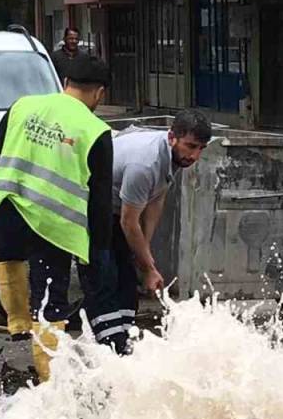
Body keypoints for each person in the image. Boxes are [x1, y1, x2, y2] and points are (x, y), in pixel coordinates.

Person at [0, 56, 114, 382]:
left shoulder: (23, 106)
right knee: (49, 300)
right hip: (52, 226)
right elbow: (100, 199)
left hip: (7, 209)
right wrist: (98, 250)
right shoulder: (95, 130)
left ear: (66, 81)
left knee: (8, 258)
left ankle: (16, 323)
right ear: (99, 93)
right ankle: (49, 381)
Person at [80, 110, 212, 352]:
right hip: (87, 204)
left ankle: (125, 338)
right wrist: (149, 268)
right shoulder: (145, 164)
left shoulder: (174, 157)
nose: (195, 156)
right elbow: (129, 223)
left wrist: (144, 255)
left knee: (127, 276)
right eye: (191, 146)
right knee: (103, 275)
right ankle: (109, 348)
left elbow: (156, 199)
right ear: (172, 137)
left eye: (201, 148)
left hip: (115, 205)